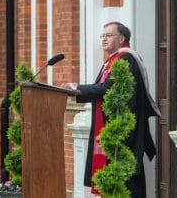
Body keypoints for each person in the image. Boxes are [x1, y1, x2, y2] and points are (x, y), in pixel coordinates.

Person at [62, 22, 160, 197]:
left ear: (121, 38)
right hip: (111, 127)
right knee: (117, 177)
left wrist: (78, 88)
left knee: (127, 177)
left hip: (123, 129)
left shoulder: (126, 59)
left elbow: (109, 88)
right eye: (102, 36)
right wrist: (77, 90)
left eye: (108, 35)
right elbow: (101, 87)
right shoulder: (112, 60)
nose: (104, 39)